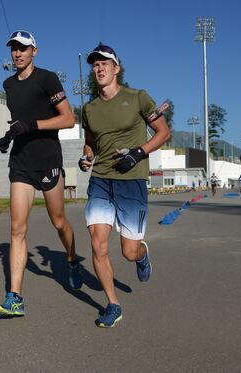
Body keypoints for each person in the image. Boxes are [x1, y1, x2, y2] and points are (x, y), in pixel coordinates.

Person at [78, 44, 170, 328]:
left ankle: (141, 255)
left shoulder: (138, 97)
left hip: (131, 182)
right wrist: (86, 157)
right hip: (101, 182)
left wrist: (138, 152)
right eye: (95, 64)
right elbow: (91, 143)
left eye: (105, 63)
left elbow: (163, 132)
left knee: (128, 252)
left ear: (117, 68)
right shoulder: (89, 109)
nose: (100, 68)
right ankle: (113, 304)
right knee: (97, 244)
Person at [0, 30, 82, 318]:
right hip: (20, 163)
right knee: (17, 229)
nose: (17, 53)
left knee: (58, 221)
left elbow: (69, 119)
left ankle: (71, 259)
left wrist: (31, 125)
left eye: (23, 48)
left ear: (35, 51)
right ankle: (15, 298)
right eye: (13, 49)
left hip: (47, 160)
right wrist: (9, 136)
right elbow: (20, 121)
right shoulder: (8, 84)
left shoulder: (47, 78)